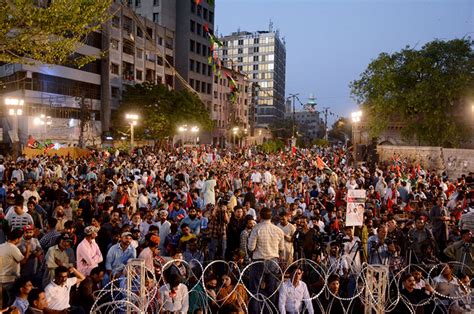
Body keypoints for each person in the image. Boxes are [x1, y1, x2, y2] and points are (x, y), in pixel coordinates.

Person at [247, 207, 285, 313]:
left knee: (255, 290)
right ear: (271, 216)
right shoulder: (278, 230)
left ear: (260, 216)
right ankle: (271, 311)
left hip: (259, 261)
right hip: (273, 261)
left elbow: (251, 247)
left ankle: (256, 312)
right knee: (272, 290)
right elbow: (281, 249)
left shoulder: (256, 229)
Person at [0, 229, 30, 308]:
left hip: (1, 279)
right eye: (20, 238)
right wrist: (28, 250)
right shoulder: (13, 248)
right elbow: (23, 261)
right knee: (12, 301)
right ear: (17, 239)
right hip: (10, 280)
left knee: (2, 301)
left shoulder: (1, 246)